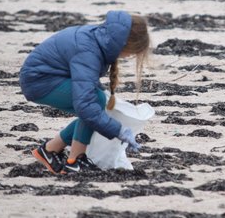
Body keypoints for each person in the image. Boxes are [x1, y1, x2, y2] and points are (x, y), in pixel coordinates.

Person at [19, 10, 150, 174]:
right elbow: (86, 106)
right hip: (39, 82)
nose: (129, 56)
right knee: (94, 103)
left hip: (46, 78)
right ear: (124, 44)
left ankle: (50, 150)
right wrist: (118, 130)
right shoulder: (88, 50)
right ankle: (75, 160)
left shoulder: (99, 38)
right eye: (132, 53)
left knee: (97, 103)